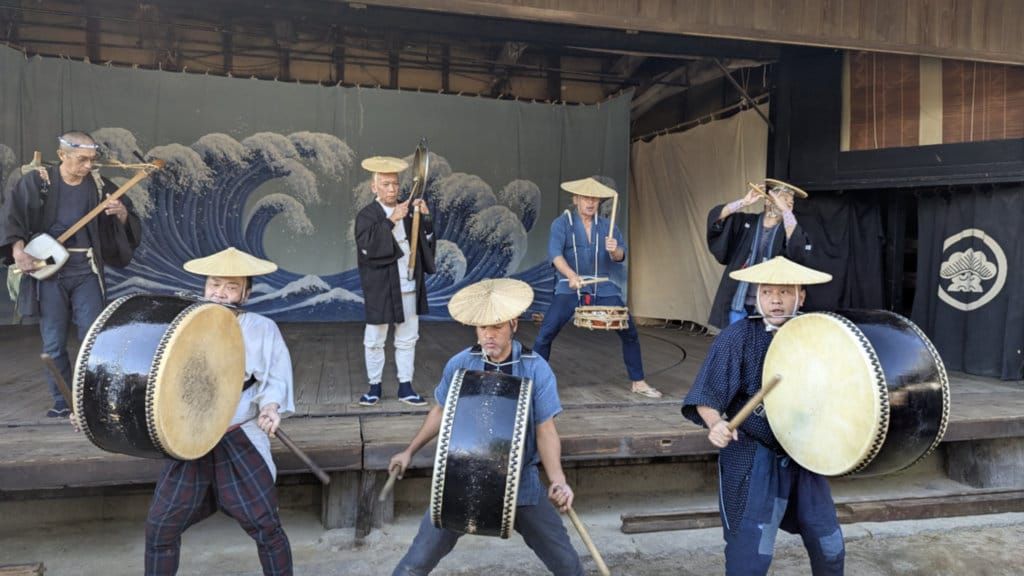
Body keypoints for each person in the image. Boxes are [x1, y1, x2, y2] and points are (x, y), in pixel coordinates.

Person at [390, 278, 584, 576]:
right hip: (460, 478)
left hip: (520, 484)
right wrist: (409, 452)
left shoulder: (535, 368)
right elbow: (440, 411)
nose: (489, 335)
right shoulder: (461, 363)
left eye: (497, 327)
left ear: (513, 325)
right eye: (483, 328)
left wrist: (558, 480)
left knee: (568, 565)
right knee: (414, 564)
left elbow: (545, 429)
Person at [681, 256, 844, 575]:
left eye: (785, 292)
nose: (776, 300)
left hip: (804, 454)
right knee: (750, 556)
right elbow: (707, 395)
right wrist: (716, 424)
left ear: (801, 295)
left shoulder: (818, 335)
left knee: (830, 546)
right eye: (768, 292)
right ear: (757, 294)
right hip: (754, 454)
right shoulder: (738, 336)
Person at [144, 247, 295, 576]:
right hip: (189, 436)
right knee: (160, 529)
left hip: (239, 431)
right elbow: (150, 377)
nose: (220, 293)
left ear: (246, 292)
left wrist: (270, 407)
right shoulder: (180, 326)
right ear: (204, 286)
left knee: (266, 526)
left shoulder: (262, 328)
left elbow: (275, 378)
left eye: (230, 287)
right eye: (214, 284)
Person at [0, 131, 141, 417]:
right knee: (53, 341)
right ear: (63, 155)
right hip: (49, 271)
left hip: (85, 269)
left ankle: (91, 402)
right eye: (81, 159)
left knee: (94, 337)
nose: (88, 166)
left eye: (92, 160)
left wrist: (122, 214)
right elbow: (12, 217)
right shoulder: (39, 181)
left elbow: (129, 222)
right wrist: (18, 252)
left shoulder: (100, 186)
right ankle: (64, 400)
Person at [533, 177, 660, 398]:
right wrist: (571, 275)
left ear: (599, 202)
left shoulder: (607, 226)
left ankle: (638, 382)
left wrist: (614, 251)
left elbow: (620, 256)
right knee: (546, 332)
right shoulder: (562, 224)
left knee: (629, 330)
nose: (590, 203)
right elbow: (555, 255)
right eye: (585, 198)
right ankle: (532, 383)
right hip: (570, 285)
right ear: (576, 199)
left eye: (594, 199)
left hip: (602, 286)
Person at [355, 156, 436, 407]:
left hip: (408, 282)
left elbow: (425, 242)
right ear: (374, 187)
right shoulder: (367, 215)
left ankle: (405, 386)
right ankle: (374, 387)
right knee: (374, 338)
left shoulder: (409, 208)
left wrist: (425, 218)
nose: (392, 189)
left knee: (408, 337)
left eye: (395, 184)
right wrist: (391, 220)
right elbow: (367, 245)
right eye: (386, 184)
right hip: (381, 285)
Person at [706, 178, 813, 329]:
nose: (789, 203)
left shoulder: (789, 230)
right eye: (784, 198)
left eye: (791, 202)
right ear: (769, 201)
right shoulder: (746, 222)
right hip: (738, 301)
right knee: (734, 345)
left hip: (770, 306)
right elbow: (715, 219)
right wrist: (743, 202)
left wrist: (786, 213)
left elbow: (798, 252)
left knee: (764, 349)